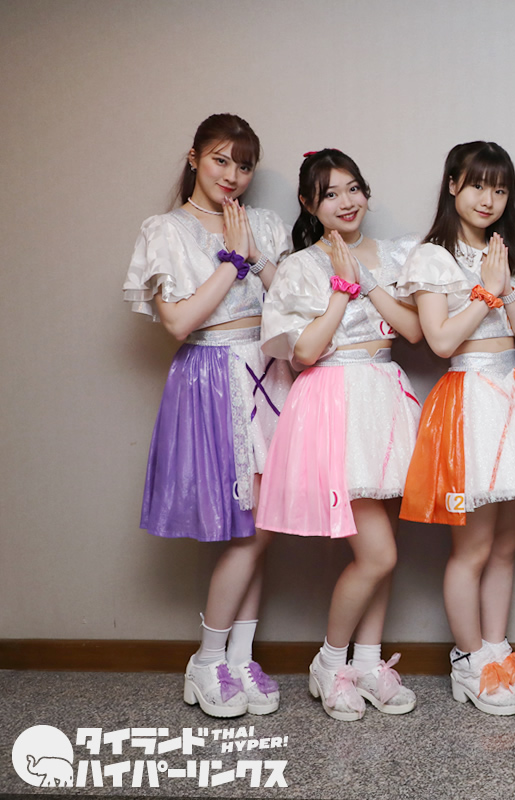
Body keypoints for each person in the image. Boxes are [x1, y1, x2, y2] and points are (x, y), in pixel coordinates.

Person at [124, 114, 291, 718]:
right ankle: (206, 661)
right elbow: (178, 322)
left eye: (243, 165)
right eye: (221, 160)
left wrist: (258, 257)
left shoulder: (265, 224)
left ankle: (238, 658)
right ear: (194, 157)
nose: (233, 175)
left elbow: (290, 301)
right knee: (245, 529)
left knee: (262, 525)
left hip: (270, 372)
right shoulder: (166, 230)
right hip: (212, 377)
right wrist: (233, 261)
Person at [398, 142, 515, 717]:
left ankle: (496, 651)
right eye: (477, 185)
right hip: (468, 398)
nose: (488, 199)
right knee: (471, 548)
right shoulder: (431, 257)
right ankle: (468, 662)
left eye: (499, 189)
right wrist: (487, 290)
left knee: (505, 545)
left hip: (513, 393)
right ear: (452, 186)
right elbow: (441, 341)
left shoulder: (501, 252)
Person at [257, 149, 424, 721]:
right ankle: (330, 663)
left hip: (385, 398)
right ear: (310, 204)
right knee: (378, 554)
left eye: (354, 188)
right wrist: (339, 291)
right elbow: (303, 353)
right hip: (333, 403)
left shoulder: (395, 255)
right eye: (330, 194)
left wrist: (368, 283)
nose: (347, 201)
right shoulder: (301, 267)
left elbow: (414, 331)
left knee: (386, 552)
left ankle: (369, 663)